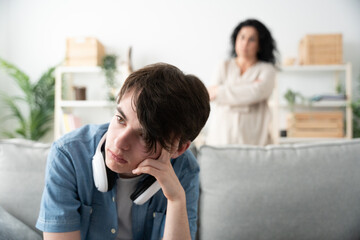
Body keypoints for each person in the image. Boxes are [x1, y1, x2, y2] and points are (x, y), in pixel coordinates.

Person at [36, 63, 210, 240]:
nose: (119, 142)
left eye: (144, 135)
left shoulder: (185, 169)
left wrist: (176, 200)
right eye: (120, 119)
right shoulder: (68, 154)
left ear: (178, 148)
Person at [206, 18, 278, 146]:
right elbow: (211, 94)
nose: (245, 43)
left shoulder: (267, 69)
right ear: (235, 40)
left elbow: (256, 93)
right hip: (221, 138)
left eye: (252, 39)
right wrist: (247, 91)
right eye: (242, 37)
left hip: (254, 140)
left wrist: (221, 92)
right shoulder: (223, 66)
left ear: (260, 45)